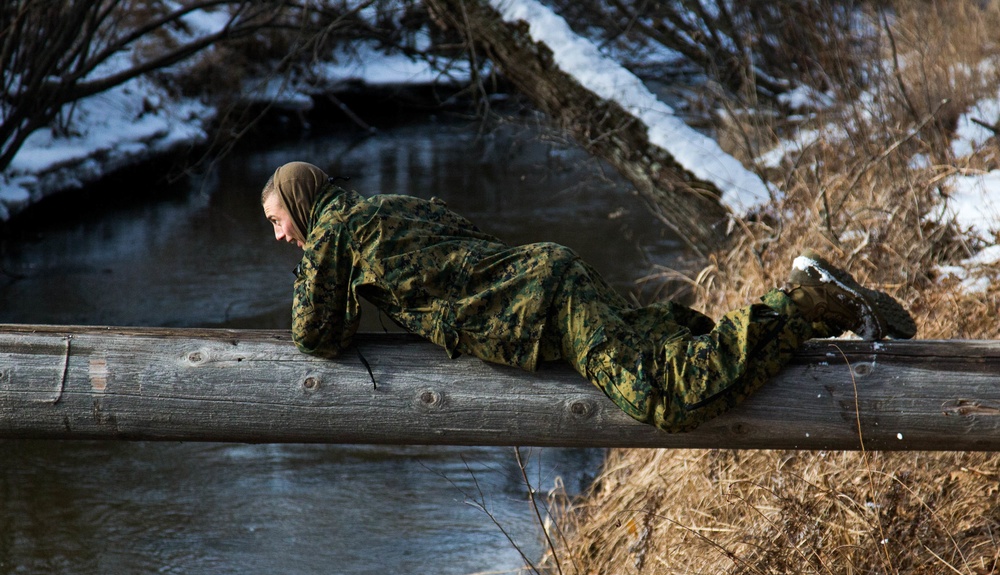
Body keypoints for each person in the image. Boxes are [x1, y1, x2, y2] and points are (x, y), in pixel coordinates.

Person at [262, 161, 916, 433]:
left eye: (276, 219)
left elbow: (313, 334)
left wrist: (330, 280)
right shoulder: (383, 208)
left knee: (664, 399)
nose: (277, 233)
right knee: (649, 355)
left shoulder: (335, 232)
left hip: (541, 306)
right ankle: (689, 328)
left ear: (299, 203)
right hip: (543, 284)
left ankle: (800, 301)